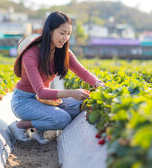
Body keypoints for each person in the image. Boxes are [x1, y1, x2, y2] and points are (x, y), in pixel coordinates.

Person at [9, 11, 105, 144]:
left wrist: (98, 83)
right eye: (62, 33)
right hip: (24, 101)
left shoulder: (64, 53)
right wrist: (72, 93)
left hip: (45, 101)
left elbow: (83, 73)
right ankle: (20, 126)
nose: (65, 37)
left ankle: (38, 129)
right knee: (63, 119)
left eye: (68, 34)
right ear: (50, 31)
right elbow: (41, 92)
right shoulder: (31, 54)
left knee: (80, 103)